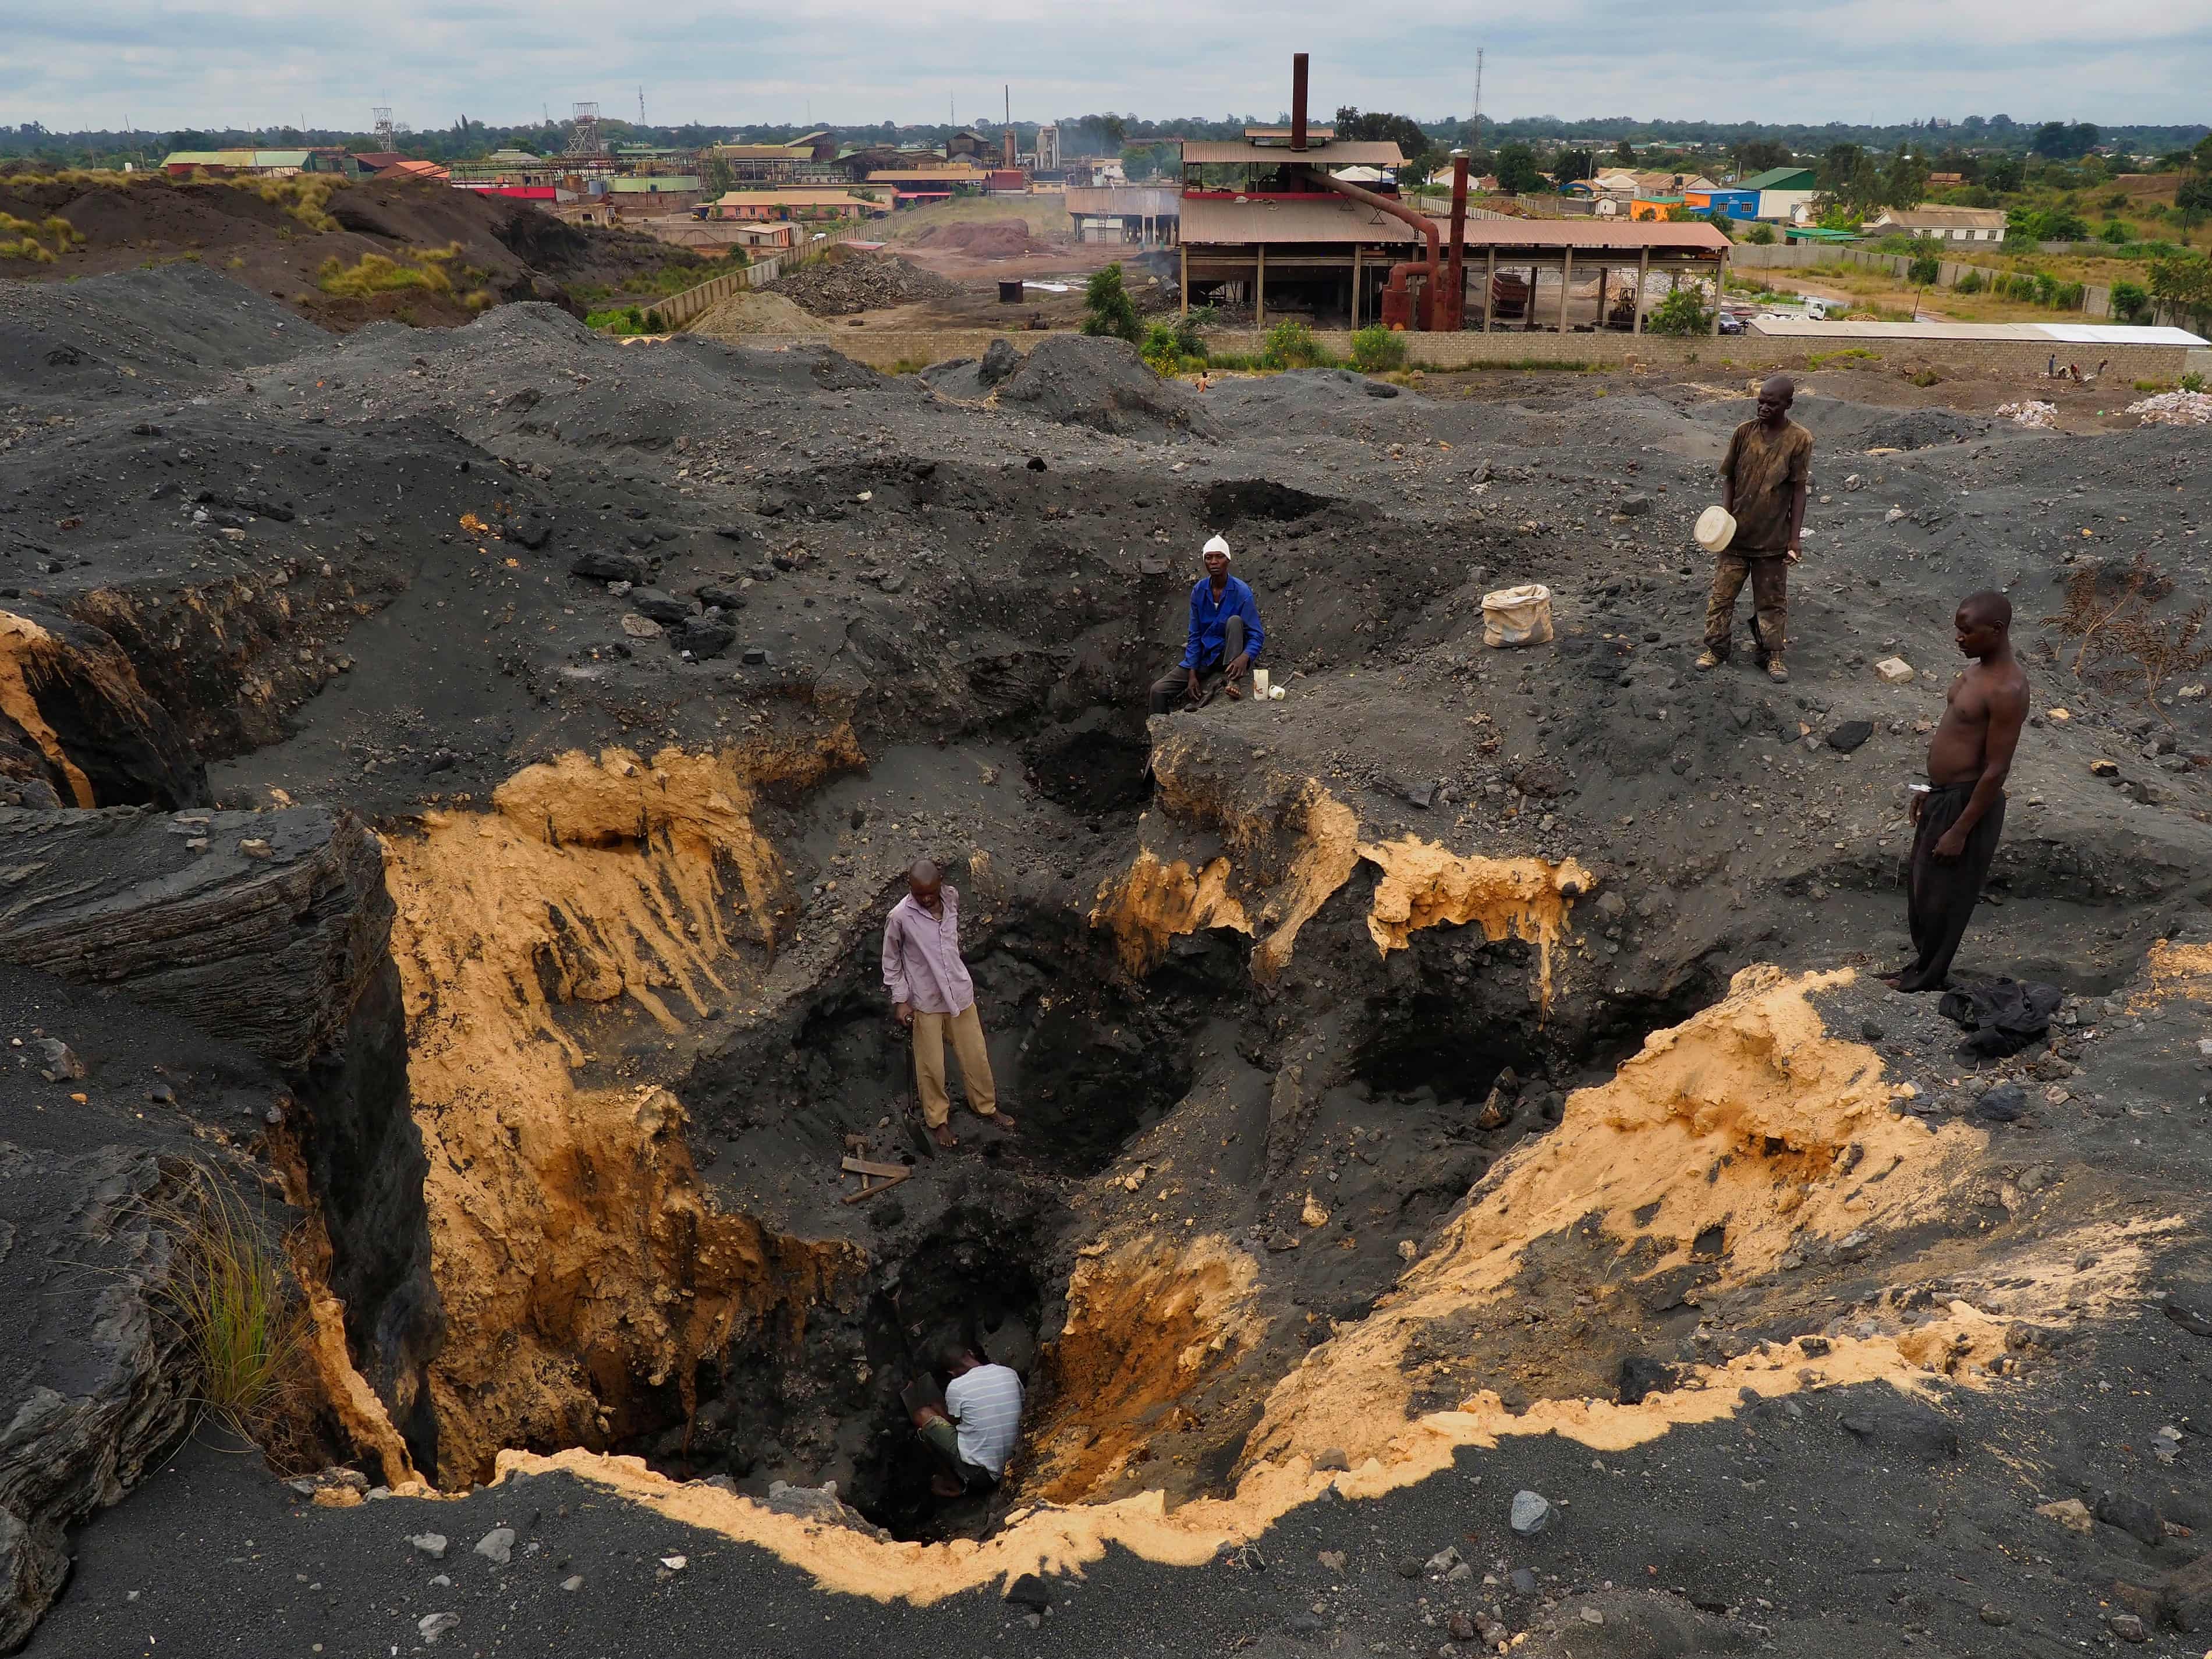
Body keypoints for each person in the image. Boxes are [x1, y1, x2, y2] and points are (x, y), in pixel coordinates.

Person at [1883, 591, 2027, 993]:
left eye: (1967, 631)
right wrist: (1933, 788)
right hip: (1945, 794)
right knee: (1922, 888)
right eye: (1957, 630)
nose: (1958, 638)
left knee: (1944, 896)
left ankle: (1927, 978)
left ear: (1996, 630)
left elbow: (1997, 768)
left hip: (1968, 802)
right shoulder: (1975, 672)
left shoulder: (2008, 689)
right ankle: (1920, 967)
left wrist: (1961, 830)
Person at [882, 860, 1013, 1148]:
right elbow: (891, 961)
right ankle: (938, 1121)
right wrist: (901, 1000)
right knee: (931, 1066)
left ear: (940, 882)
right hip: (926, 1000)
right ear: (909, 887)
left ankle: (986, 1106)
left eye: (931, 892)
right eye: (920, 894)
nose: (927, 899)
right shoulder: (900, 917)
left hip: (959, 993)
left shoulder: (951, 898)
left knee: (976, 1055)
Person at [1700, 374, 1812, 684]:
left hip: (1773, 540)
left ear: (1788, 405)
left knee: (1771, 602)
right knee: (1721, 597)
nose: (1763, 408)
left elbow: (1799, 491)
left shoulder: (1799, 440)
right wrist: (1724, 519)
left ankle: (1771, 655)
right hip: (1735, 537)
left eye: (1772, 404)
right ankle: (1716, 649)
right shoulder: (1743, 433)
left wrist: (1794, 539)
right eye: (1761, 402)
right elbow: (1730, 478)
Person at [1148, 534, 1265, 715]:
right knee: (1157, 690)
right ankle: (1160, 729)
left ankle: (1233, 681)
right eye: (1209, 558)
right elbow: (1195, 634)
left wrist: (1244, 657)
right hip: (1206, 655)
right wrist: (1192, 674)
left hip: (1230, 654)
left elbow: (1256, 634)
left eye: (1219, 557)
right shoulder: (1199, 591)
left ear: (1228, 560)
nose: (1214, 562)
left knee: (1235, 621)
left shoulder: (1241, 592)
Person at [909, 1346, 1024, 1500]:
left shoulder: (956, 1387)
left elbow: (956, 1424)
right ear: (971, 1353)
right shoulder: (1008, 1373)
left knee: (922, 1415)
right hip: (1017, 1460)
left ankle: (954, 1484)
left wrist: (938, 1408)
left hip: (983, 1475)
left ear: (951, 1373)